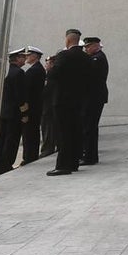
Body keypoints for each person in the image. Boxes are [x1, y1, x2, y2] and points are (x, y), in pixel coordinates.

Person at [47, 28, 89, 176]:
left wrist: (50, 68)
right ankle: (74, 162)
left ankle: (63, 165)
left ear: (68, 40)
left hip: (62, 101)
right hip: (78, 100)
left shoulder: (64, 55)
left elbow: (53, 75)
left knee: (63, 133)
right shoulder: (86, 57)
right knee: (75, 131)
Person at [0, 48, 28, 175]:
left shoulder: (9, 71)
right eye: (22, 57)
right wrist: (24, 113)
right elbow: (20, 96)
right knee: (11, 140)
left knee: (3, 139)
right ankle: (6, 165)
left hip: (5, 112)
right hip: (14, 113)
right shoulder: (19, 73)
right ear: (17, 59)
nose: (24, 59)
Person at [80, 36, 108, 166]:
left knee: (89, 127)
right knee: (89, 126)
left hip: (93, 97)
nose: (86, 49)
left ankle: (89, 156)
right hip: (94, 97)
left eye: (88, 47)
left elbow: (89, 78)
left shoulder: (97, 59)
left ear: (96, 46)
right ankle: (90, 155)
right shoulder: (95, 58)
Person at [21, 46, 46, 165]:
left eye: (28, 55)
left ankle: (29, 156)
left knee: (29, 133)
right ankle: (31, 155)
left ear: (35, 56)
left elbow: (27, 90)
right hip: (35, 106)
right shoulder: (37, 69)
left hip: (32, 106)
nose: (26, 57)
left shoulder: (34, 70)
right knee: (31, 132)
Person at [40, 53, 58, 157]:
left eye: (47, 64)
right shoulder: (48, 75)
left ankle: (48, 148)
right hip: (47, 105)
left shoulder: (51, 75)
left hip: (48, 106)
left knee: (48, 127)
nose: (46, 66)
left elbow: (47, 91)